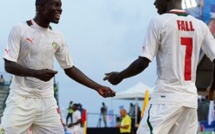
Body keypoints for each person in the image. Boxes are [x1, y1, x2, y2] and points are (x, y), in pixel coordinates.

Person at [2, 0, 115, 133]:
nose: (60, 9)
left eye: (60, 5)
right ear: (41, 6)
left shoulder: (58, 37)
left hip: (47, 101)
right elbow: (9, 65)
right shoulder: (20, 29)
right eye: (56, 5)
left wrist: (97, 87)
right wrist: (36, 73)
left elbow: (69, 68)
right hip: (21, 99)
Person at [104, 0, 215, 133]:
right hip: (189, 101)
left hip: (166, 98)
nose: (154, 3)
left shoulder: (159, 22)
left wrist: (119, 76)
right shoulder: (200, 26)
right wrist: (212, 87)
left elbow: (142, 63)